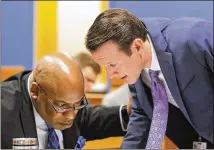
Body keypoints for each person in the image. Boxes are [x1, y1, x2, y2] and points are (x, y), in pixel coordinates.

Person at [85, 8, 213, 149]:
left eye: (112, 64)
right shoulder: (135, 69)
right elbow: (141, 117)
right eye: (105, 67)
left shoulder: (194, 38)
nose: (110, 74)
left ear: (137, 46)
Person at [1, 52, 130, 149]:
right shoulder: (4, 111)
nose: (71, 116)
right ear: (35, 92)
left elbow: (89, 117)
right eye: (62, 106)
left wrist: (128, 112)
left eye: (78, 104)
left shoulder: (72, 108)